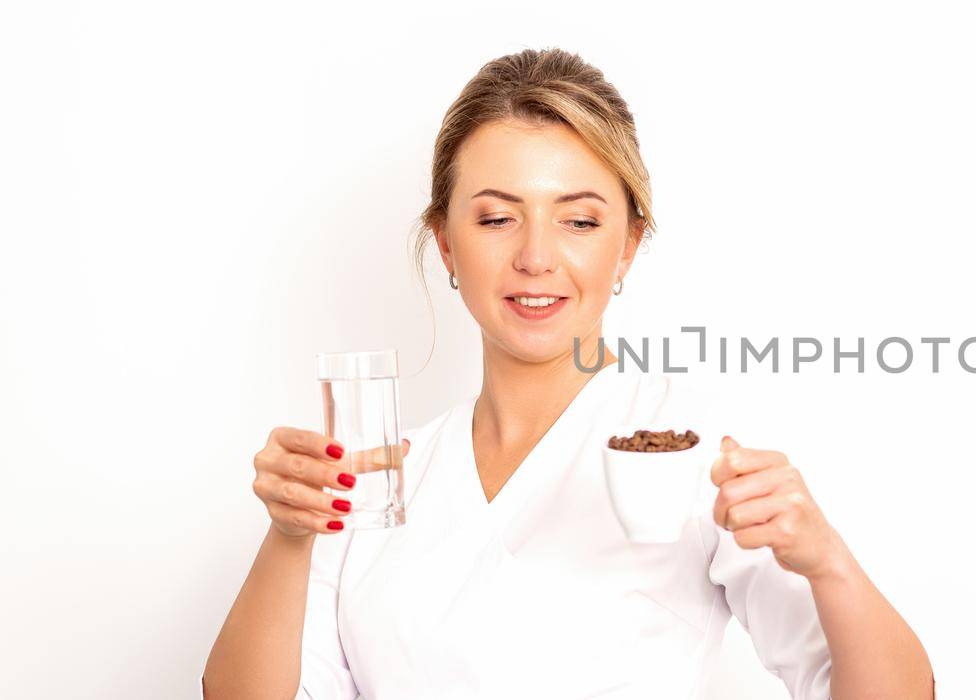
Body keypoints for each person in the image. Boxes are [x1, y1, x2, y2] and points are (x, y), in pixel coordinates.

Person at [203, 47, 934, 699]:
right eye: (496, 218)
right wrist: (290, 535)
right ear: (446, 246)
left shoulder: (695, 459)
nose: (536, 258)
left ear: (627, 246)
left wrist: (827, 560)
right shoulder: (378, 479)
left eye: (579, 221)